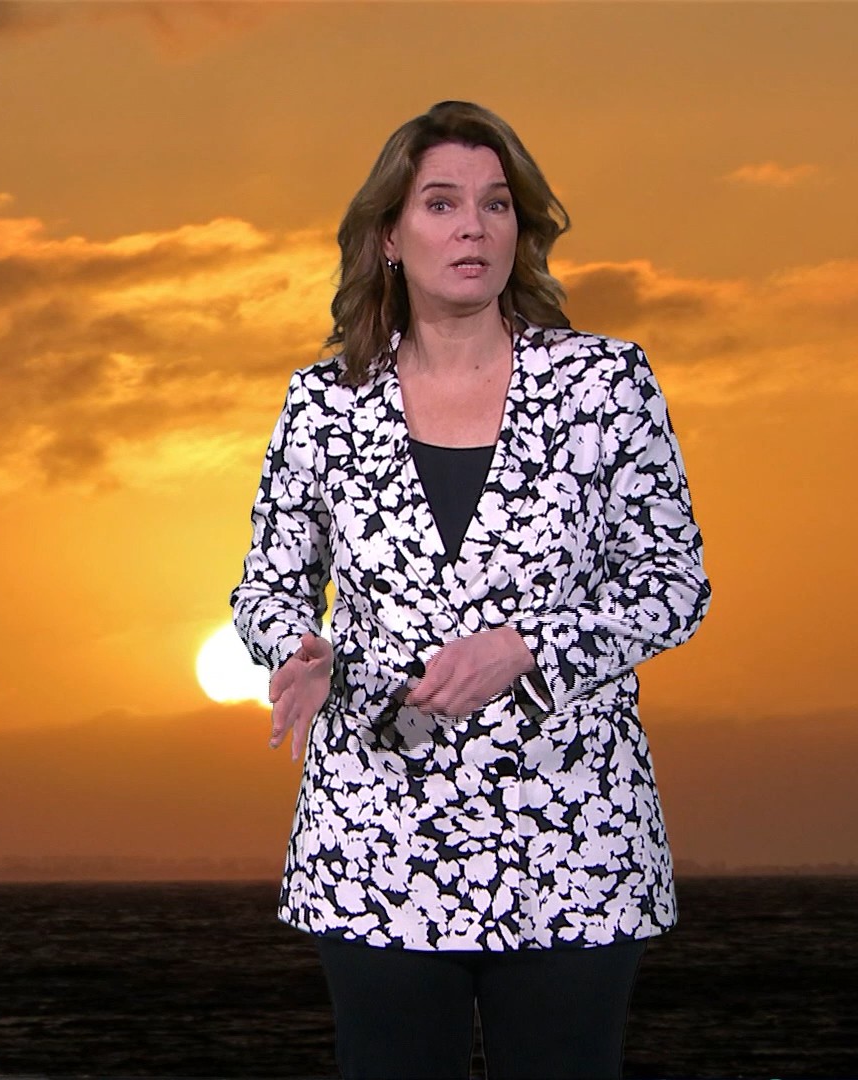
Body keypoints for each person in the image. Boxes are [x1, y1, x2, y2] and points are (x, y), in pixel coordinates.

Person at [228, 100, 711, 1079]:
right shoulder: (324, 405)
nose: (473, 228)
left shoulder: (604, 386)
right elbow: (268, 589)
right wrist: (298, 648)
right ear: (389, 236)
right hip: (376, 841)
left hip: (574, 839)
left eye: (496, 205)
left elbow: (673, 585)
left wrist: (529, 648)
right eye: (442, 203)